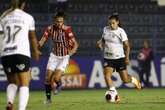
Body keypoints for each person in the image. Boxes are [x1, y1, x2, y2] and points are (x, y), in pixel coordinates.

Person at [0, 0, 40, 110]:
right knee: (24, 83)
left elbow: (0, 36)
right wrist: (35, 51)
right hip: (20, 52)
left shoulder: (4, 17)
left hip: (5, 53)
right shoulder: (28, 17)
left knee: (12, 82)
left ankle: (9, 102)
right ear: (23, 4)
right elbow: (32, 37)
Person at [96, 14, 141, 102]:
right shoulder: (105, 29)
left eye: (113, 23)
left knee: (125, 79)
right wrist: (100, 43)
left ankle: (134, 80)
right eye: (110, 23)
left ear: (117, 22)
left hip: (119, 58)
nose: (111, 25)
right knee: (106, 76)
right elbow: (104, 39)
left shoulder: (121, 32)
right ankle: (115, 95)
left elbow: (127, 46)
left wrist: (127, 58)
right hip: (108, 58)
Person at [38, 11, 78, 104]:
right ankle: (48, 100)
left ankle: (59, 83)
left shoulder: (67, 29)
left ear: (63, 21)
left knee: (56, 78)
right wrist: (38, 46)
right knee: (47, 78)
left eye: (61, 21)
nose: (59, 23)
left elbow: (75, 44)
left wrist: (71, 52)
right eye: (57, 21)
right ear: (54, 21)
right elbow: (43, 39)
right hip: (54, 56)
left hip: (64, 57)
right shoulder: (50, 29)